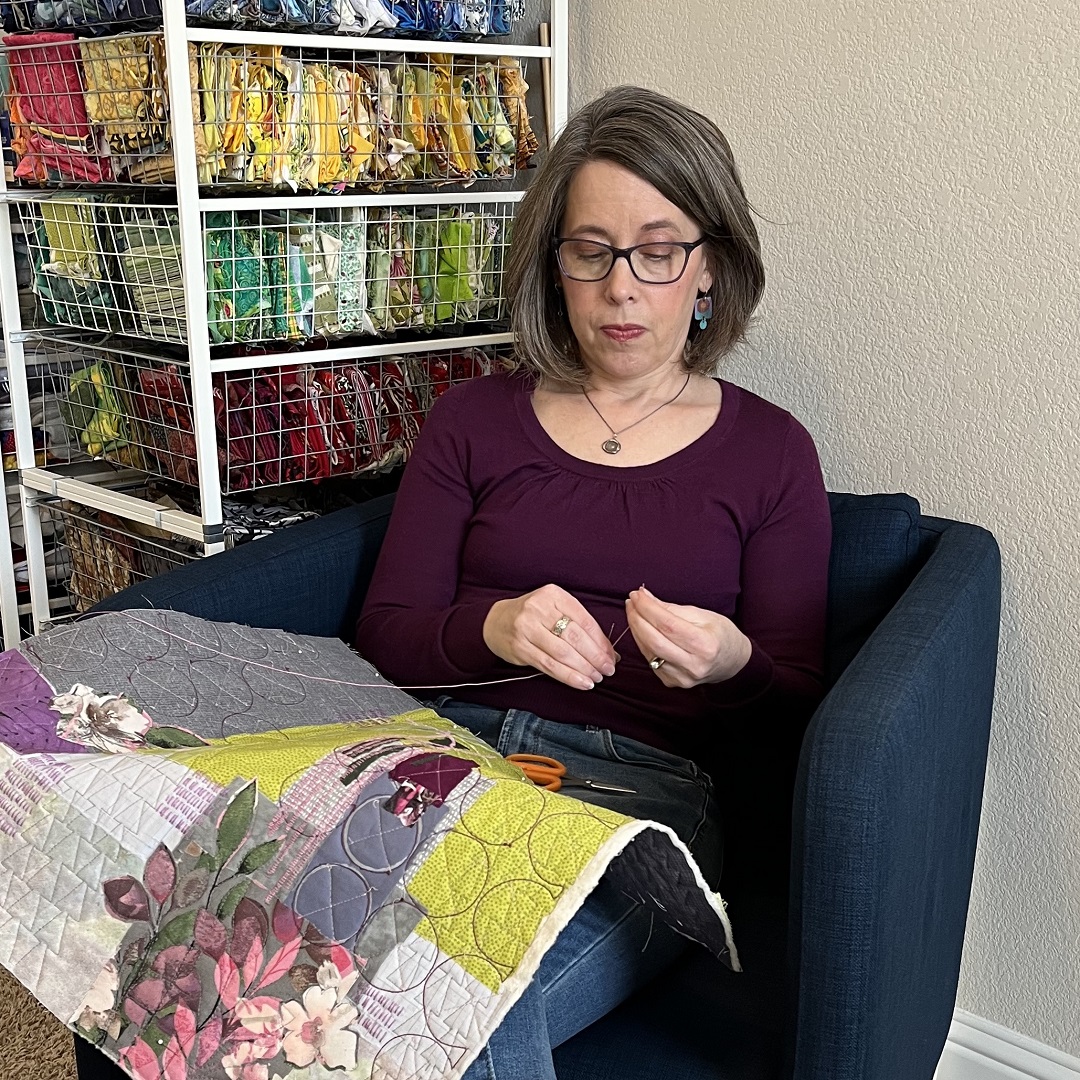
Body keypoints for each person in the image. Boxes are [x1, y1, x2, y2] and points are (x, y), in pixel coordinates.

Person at [354, 84, 831, 1079]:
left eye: (659, 251)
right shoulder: (472, 422)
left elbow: (799, 713)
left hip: (641, 803)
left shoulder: (773, 454)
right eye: (592, 252)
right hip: (445, 762)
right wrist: (490, 630)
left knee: (464, 1010)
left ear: (709, 270)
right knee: (275, 956)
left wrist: (734, 663)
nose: (623, 288)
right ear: (555, 267)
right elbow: (385, 638)